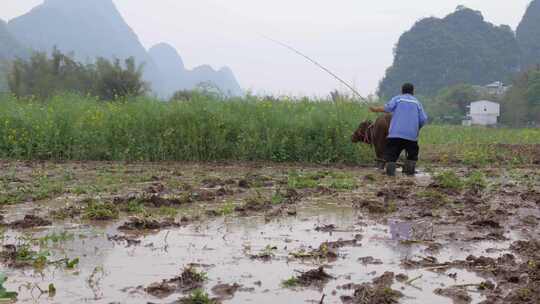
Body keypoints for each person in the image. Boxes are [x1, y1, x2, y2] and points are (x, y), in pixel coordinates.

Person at [369, 83, 428, 176]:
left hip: (395, 135)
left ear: (402, 90)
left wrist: (375, 109)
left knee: (391, 156)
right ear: (413, 91)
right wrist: (416, 128)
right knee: (412, 156)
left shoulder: (397, 99)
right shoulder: (417, 102)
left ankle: (391, 178)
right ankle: (409, 177)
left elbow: (387, 108)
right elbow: (423, 119)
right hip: (411, 136)